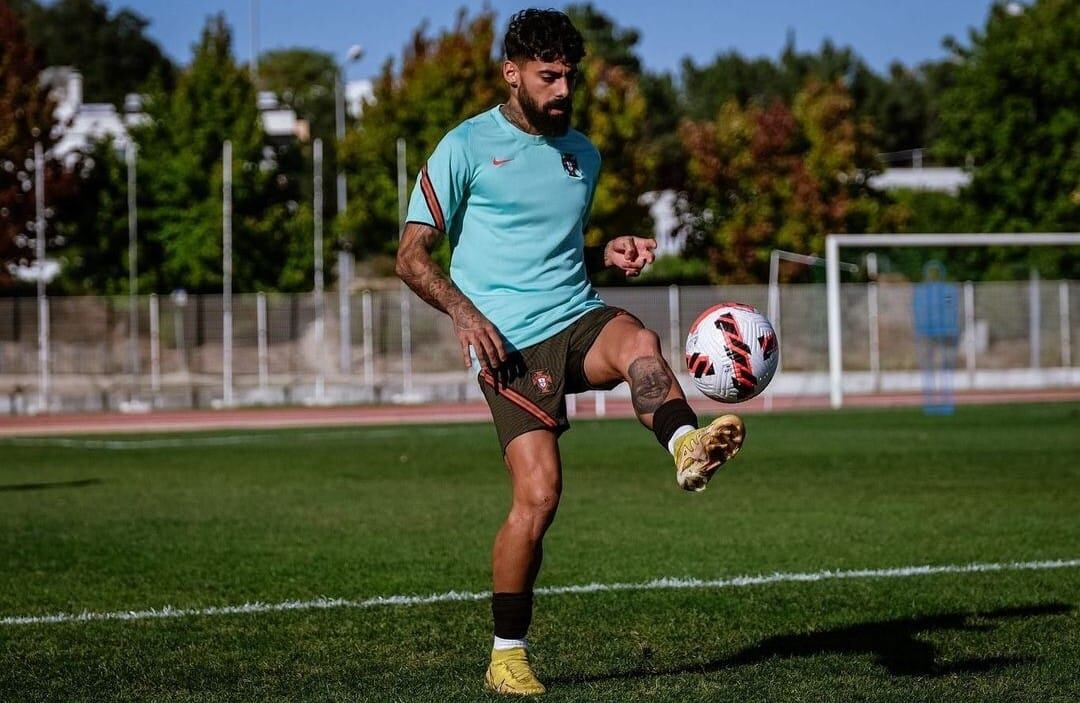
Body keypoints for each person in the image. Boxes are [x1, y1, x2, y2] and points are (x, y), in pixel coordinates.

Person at [395, 8, 746, 695]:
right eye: (547, 76)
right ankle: (506, 654)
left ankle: (686, 446)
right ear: (512, 73)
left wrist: (606, 251)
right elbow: (411, 256)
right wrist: (464, 313)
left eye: (570, 78)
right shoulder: (465, 146)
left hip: (577, 316)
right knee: (539, 496)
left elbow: (551, 252)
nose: (562, 90)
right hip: (506, 344)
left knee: (640, 341)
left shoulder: (583, 155)